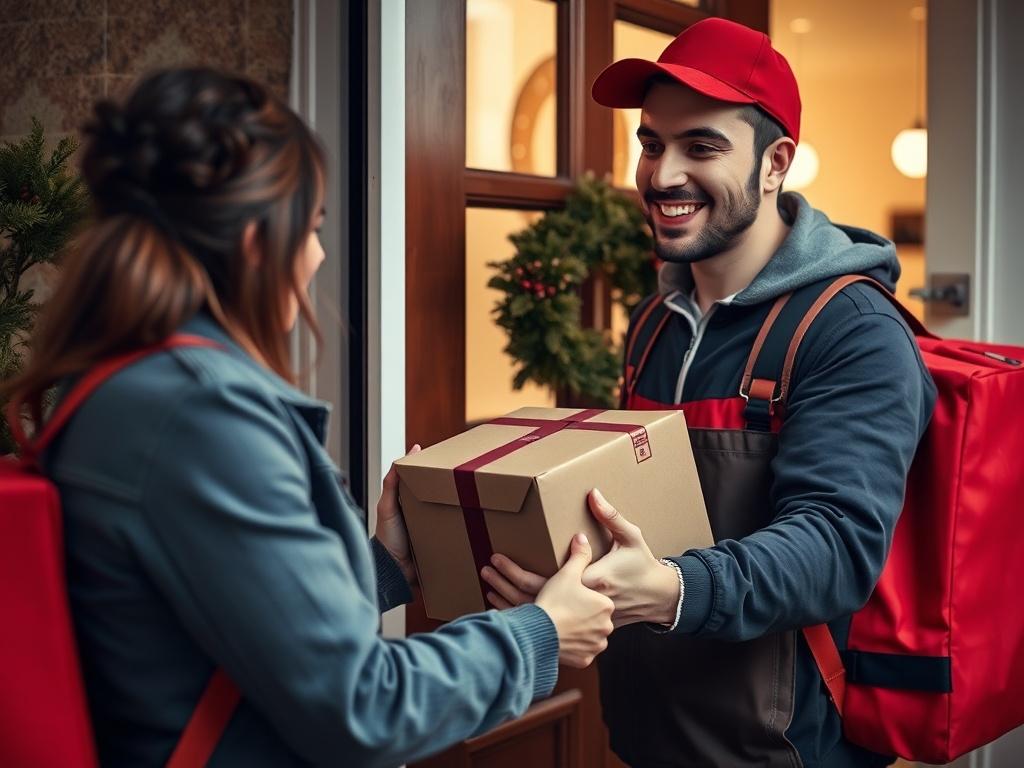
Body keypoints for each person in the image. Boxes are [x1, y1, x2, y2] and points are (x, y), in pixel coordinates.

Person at [3, 68, 614, 768]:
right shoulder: (201, 413)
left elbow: (222, 624)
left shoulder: (125, 381)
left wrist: (385, 565)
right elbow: (363, 705)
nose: (319, 253)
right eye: (314, 226)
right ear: (258, 239)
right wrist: (541, 633)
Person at [482, 17, 936, 768]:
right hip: (647, 738)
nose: (663, 175)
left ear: (774, 163)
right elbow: (640, 515)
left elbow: (836, 545)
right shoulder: (655, 321)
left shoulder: (851, 329)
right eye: (651, 143)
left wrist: (668, 591)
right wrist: (561, 572)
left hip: (783, 751)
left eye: (701, 147)